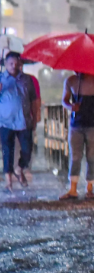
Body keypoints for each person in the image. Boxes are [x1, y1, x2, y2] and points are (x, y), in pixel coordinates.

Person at [59, 73, 94, 200]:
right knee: (75, 156)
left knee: (91, 156)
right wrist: (71, 106)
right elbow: (64, 100)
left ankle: (90, 188)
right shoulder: (71, 81)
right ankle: (73, 189)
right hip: (76, 125)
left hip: (93, 125)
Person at [0, 52, 37, 192]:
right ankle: (8, 180)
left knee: (27, 150)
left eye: (16, 63)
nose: (13, 66)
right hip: (5, 121)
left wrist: (35, 116)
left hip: (24, 120)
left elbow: (33, 99)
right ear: (5, 64)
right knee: (7, 151)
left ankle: (19, 168)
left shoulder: (27, 79)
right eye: (10, 63)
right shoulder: (1, 79)